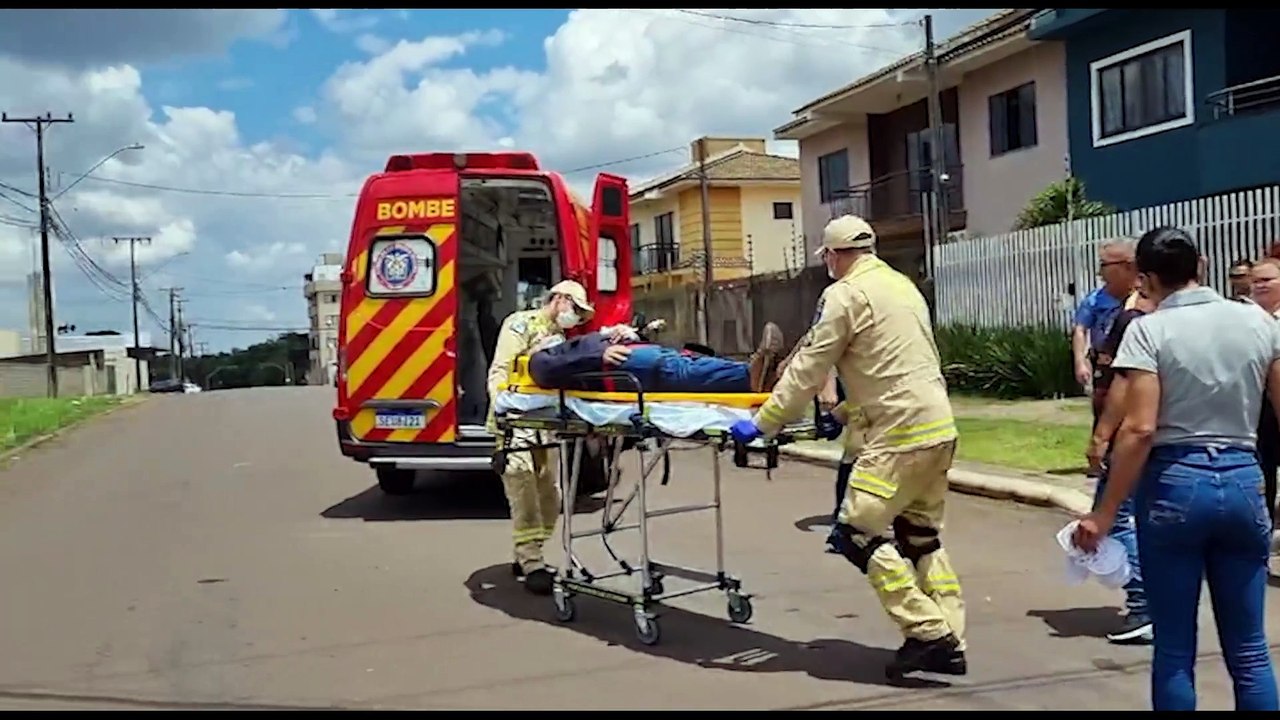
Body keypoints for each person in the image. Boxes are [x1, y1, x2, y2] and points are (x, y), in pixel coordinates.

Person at [729, 214, 966, 681]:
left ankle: (927, 634)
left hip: (896, 435)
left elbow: (808, 367)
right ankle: (951, 637)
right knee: (921, 536)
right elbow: (892, 364)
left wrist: (764, 423)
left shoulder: (843, 295)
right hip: (937, 427)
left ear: (834, 255)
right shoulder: (902, 286)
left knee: (857, 532)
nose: (827, 265)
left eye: (826, 258)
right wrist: (839, 416)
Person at [1074, 226, 1280, 711]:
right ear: (1202, 265)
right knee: (1249, 649)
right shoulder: (1258, 323)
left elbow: (1140, 428)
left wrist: (1104, 514)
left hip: (1175, 482)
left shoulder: (1150, 330)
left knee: (1174, 649)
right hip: (1243, 475)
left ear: (1144, 280)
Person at [486, 279, 595, 595]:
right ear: (559, 299)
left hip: (544, 424)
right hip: (516, 421)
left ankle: (526, 551)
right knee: (523, 489)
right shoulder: (520, 324)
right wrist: (504, 411)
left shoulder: (559, 338)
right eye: (573, 308)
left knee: (550, 495)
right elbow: (501, 370)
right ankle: (531, 561)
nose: (574, 315)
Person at [1084, 286, 1156, 645]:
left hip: (1131, 439)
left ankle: (1144, 605)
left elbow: (1124, 386)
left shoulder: (1137, 325)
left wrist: (1102, 437)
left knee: (1111, 517)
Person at [525, 321, 786, 394]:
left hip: (631, 354)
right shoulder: (538, 359)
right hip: (619, 369)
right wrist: (598, 356)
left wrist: (626, 332)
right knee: (678, 369)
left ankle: (759, 372)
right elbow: (545, 371)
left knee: (688, 360)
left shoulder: (566, 344)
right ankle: (748, 376)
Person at [1072, 239, 1139, 429]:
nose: (1099, 273)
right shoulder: (1095, 300)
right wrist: (1080, 362)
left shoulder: (1145, 298)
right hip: (1106, 366)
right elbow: (1080, 329)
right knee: (1104, 413)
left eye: (1104, 265)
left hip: (1136, 366)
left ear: (1128, 266)